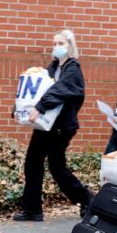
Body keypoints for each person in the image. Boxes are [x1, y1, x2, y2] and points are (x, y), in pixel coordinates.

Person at [12, 30, 92, 222]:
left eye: (61, 43)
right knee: (33, 162)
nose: (56, 47)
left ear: (70, 46)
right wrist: (19, 109)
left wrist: (40, 107)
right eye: (54, 43)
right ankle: (32, 209)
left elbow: (60, 90)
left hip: (61, 126)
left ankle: (86, 198)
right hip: (47, 125)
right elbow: (37, 91)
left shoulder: (73, 69)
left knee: (56, 167)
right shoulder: (53, 68)